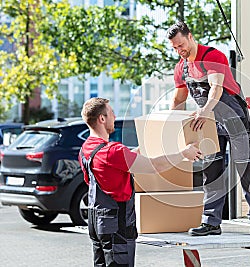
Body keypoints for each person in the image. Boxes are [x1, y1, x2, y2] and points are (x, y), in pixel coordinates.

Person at [166, 21, 250, 236]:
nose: (179, 50)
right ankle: (211, 222)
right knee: (211, 170)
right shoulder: (181, 68)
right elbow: (178, 99)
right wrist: (170, 124)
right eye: (175, 48)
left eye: (181, 45)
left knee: (245, 166)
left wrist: (205, 110)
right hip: (209, 122)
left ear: (190, 37)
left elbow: (216, 88)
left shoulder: (212, 56)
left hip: (233, 117)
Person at [78, 97, 202, 266]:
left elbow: (122, 162)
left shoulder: (86, 149)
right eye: (112, 113)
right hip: (116, 225)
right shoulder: (113, 151)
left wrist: (151, 143)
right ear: (102, 119)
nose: (114, 116)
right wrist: (183, 154)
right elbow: (154, 166)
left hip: (96, 221)